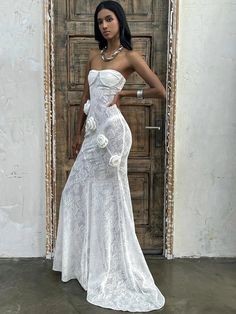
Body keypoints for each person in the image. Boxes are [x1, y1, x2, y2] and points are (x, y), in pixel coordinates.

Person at [52, 0, 166, 312]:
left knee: (109, 199)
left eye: (109, 19)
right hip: (92, 134)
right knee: (74, 191)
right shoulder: (94, 56)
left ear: (119, 21)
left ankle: (110, 266)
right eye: (100, 21)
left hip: (114, 135)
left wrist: (127, 94)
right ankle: (84, 263)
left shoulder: (130, 56)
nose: (104, 25)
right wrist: (78, 134)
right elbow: (84, 98)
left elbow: (160, 90)